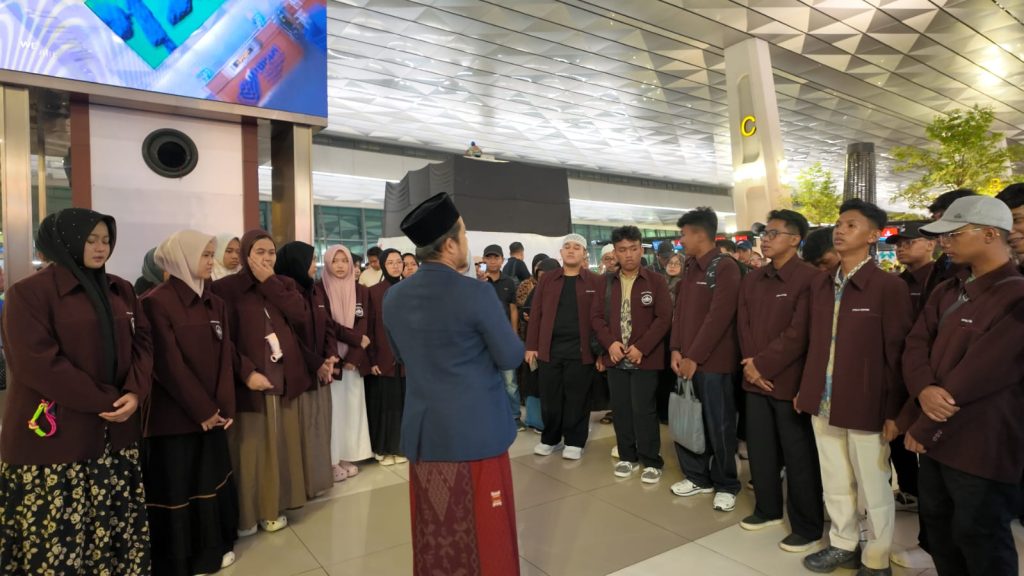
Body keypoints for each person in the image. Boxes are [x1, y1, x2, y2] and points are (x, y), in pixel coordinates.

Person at [0, 208, 153, 574]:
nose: (101, 248)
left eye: (106, 240)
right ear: (65, 242)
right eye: (90, 240)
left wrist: (135, 391)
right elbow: (37, 363)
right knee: (59, 535)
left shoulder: (120, 289)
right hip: (57, 439)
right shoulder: (29, 294)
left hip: (115, 433)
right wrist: (106, 400)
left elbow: (144, 343)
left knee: (113, 527)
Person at [383, 192, 524, 575]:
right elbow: (510, 356)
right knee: (486, 538)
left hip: (426, 436)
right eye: (463, 234)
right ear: (449, 245)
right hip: (477, 436)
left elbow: (400, 355)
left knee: (437, 533)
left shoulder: (393, 297)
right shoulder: (476, 292)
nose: (467, 242)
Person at [902, 195, 1024, 576]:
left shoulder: (1016, 295)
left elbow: (982, 372)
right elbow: (915, 344)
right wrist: (923, 388)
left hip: (982, 443)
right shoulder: (947, 290)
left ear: (990, 235)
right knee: (940, 530)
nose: (945, 243)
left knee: (982, 537)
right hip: (937, 443)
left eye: (954, 234)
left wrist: (923, 425)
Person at [797, 199, 914, 575]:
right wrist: (807, 389)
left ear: (873, 235)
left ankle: (877, 556)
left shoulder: (887, 287)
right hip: (823, 399)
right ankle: (843, 543)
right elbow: (812, 342)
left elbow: (898, 353)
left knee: (873, 483)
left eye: (851, 225)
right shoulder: (820, 284)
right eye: (839, 224)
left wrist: (895, 411)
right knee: (834, 478)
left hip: (867, 401)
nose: (840, 230)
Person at [142, 230, 239, 575]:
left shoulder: (214, 302)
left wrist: (223, 407)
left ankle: (214, 548)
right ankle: (182, 559)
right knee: (180, 485)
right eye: (205, 255)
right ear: (180, 258)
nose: (211, 261)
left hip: (212, 415)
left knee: (209, 480)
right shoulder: (156, 302)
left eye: (212, 255)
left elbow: (225, 358)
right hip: (175, 417)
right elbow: (168, 365)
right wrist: (203, 410)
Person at [212, 229, 310, 536]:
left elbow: (301, 315)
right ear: (246, 255)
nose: (266, 258)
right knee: (251, 449)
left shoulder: (284, 284)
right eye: (259, 252)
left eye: (271, 252)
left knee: (281, 446)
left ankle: (274, 507)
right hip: (250, 382)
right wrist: (246, 372)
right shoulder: (225, 288)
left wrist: (270, 282)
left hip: (284, 379)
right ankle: (248, 514)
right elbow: (223, 339)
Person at [737, 210, 824, 553]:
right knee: (761, 450)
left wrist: (761, 365)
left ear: (795, 239)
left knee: (799, 456)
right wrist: (751, 365)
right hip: (754, 379)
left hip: (789, 382)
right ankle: (767, 509)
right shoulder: (754, 278)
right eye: (764, 234)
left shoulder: (811, 278)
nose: (766, 239)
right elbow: (743, 324)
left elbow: (799, 333)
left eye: (774, 233)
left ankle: (806, 525)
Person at [669, 207, 742, 512]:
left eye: (684, 234)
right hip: (685, 360)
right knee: (688, 418)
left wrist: (694, 356)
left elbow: (719, 317)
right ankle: (697, 477)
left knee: (719, 425)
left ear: (700, 234)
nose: (681, 240)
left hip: (714, 365)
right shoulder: (689, 266)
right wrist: (676, 349)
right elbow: (680, 313)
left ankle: (726, 483)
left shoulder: (724, 267)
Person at [592, 225, 673, 484]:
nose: (628, 254)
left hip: (644, 357)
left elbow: (664, 318)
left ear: (641, 249)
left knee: (644, 409)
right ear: (615, 252)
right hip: (615, 356)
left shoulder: (656, 281)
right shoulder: (605, 282)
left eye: (633, 248)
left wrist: (642, 347)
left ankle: (651, 460)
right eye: (622, 249)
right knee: (621, 409)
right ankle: (627, 456)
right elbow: (596, 318)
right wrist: (610, 344)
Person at [525, 234, 599, 460]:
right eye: (567, 246)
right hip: (549, 349)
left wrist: (600, 353)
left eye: (577, 247)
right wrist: (531, 345)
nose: (571, 250)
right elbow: (536, 313)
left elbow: (600, 317)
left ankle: (575, 441)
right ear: (561, 253)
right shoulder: (548, 279)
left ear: (584, 253)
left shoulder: (595, 281)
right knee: (550, 398)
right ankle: (550, 439)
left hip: (581, 350)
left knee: (577, 398)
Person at [275, 242, 338, 499]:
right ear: (297, 263)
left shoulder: (315, 290)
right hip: (300, 375)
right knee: (300, 433)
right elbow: (290, 337)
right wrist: (317, 363)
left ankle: (317, 481)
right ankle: (302, 486)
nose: (315, 265)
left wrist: (330, 356)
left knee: (318, 430)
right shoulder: (285, 294)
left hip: (321, 372)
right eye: (311, 260)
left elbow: (328, 325)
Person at [321, 245, 374, 482]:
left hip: (353, 363)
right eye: (336, 261)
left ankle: (347, 455)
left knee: (352, 409)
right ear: (328, 263)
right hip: (332, 361)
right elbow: (326, 326)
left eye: (345, 261)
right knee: (334, 411)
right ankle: (332, 459)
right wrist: (338, 355)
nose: (341, 265)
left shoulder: (361, 291)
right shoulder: (320, 289)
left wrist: (354, 357)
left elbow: (364, 325)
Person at [367, 248, 407, 465]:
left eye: (398, 261)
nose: (395, 266)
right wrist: (372, 358)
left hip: (407, 359)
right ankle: (384, 448)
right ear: (383, 265)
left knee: (404, 403)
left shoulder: (410, 288)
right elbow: (370, 328)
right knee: (386, 404)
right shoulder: (374, 292)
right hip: (384, 356)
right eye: (390, 262)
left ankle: (401, 447)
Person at [483, 243, 523, 430]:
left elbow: (513, 309)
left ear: (502, 260)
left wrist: (513, 334)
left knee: (510, 382)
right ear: (484, 260)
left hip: (504, 339)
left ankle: (514, 416)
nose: (492, 261)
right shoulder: (479, 281)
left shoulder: (509, 282)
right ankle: (491, 416)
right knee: (487, 380)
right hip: (483, 340)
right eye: (489, 257)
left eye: (496, 257)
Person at [516, 253, 552, 432]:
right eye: (540, 275)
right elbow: (523, 312)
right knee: (534, 383)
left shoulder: (562, 292)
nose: (543, 279)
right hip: (534, 346)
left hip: (554, 349)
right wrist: (527, 317)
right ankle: (536, 421)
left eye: (547, 275)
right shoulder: (534, 291)